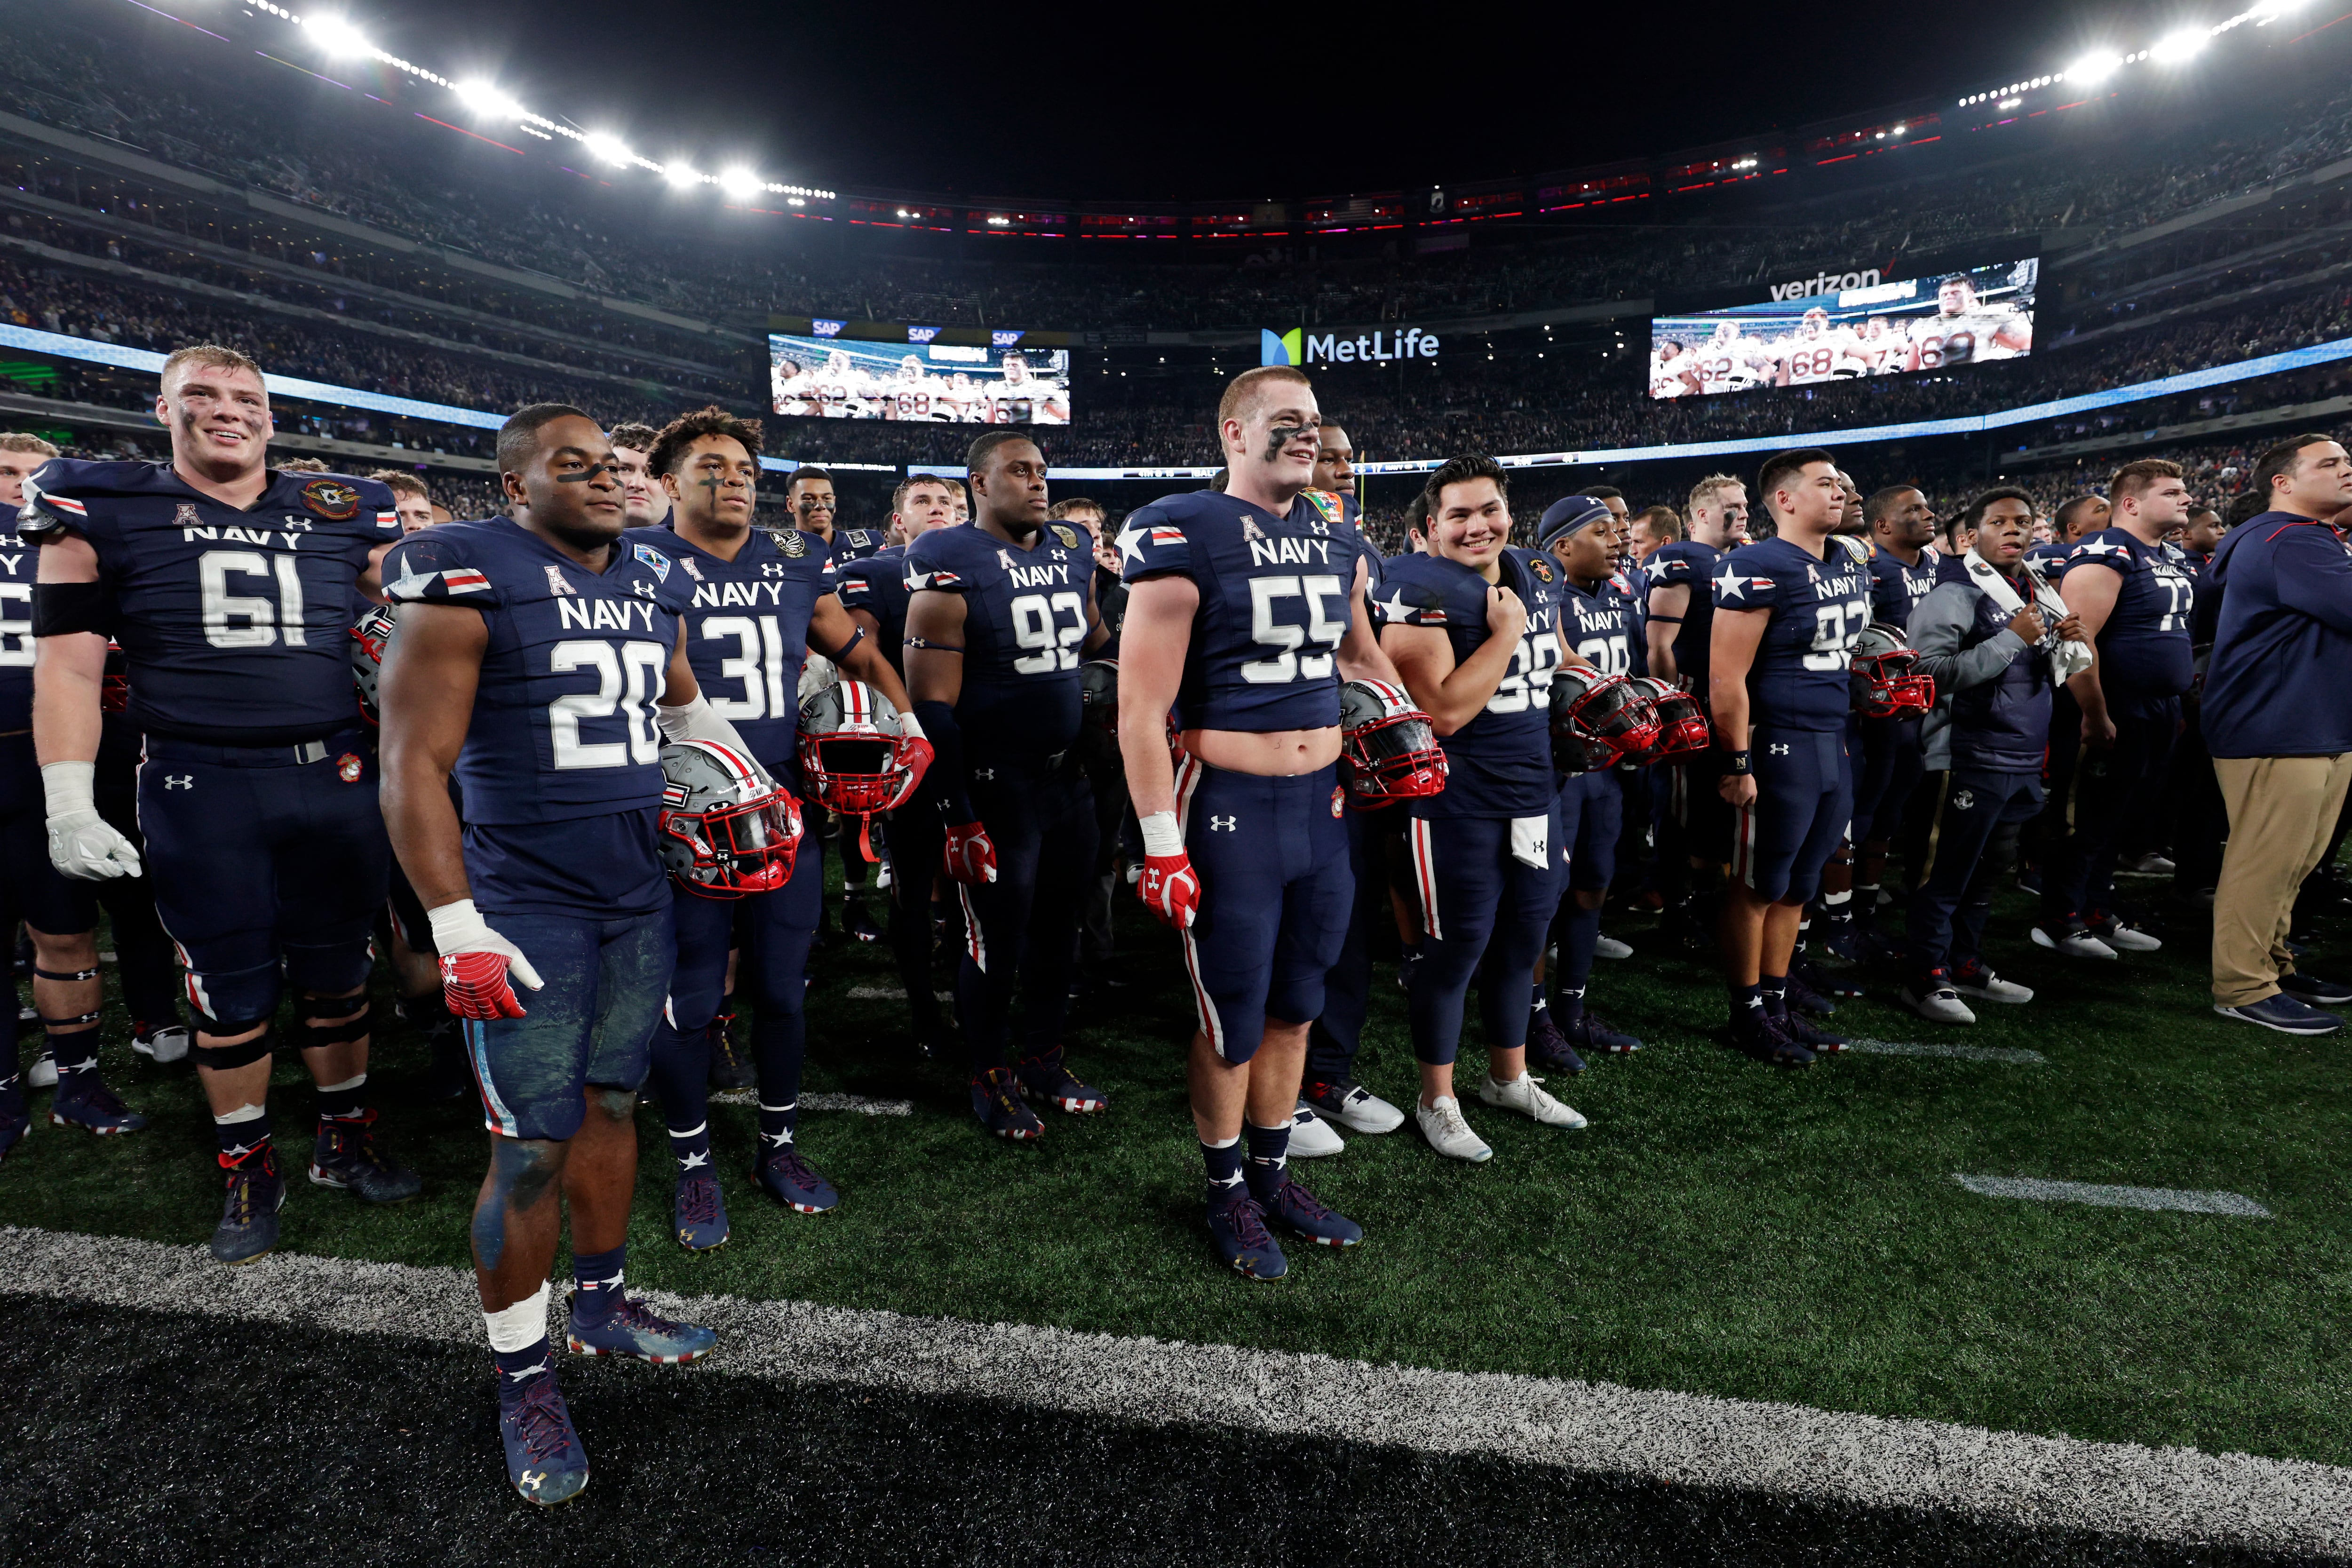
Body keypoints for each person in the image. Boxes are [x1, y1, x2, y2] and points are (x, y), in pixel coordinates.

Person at [377, 403, 773, 1506]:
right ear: (514, 486)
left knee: (611, 1106)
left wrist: (751, 782)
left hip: (634, 892)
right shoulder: (463, 570)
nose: (604, 480)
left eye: (612, 464)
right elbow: (412, 765)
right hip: (524, 903)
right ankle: (522, 1375)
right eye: (573, 465)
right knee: (529, 1148)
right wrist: (456, 926)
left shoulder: (653, 575)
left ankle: (599, 1303)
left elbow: (685, 710)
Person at [22, 344, 415, 1259]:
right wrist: (69, 800)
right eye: (200, 394)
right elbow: (70, 666)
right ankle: (246, 1160)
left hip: (334, 773)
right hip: (202, 782)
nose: (226, 409)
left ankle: (341, 1134)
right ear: (163, 411)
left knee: (339, 974)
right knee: (228, 989)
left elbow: (427, 623)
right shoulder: (102, 507)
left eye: (246, 396)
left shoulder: (346, 509)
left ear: (271, 415)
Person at [1115, 365, 1399, 1278]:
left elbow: (1361, 653)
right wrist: (1161, 840)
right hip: (1228, 805)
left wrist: (1403, 713)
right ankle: (1225, 1189)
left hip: (1322, 807)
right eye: (1285, 420)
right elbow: (1138, 706)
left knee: (1295, 1004)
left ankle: (1273, 1172)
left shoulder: (1335, 538)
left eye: (1314, 420)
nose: (1307, 433)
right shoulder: (1183, 528)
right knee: (1231, 1015)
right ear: (1234, 433)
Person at [631, 406, 926, 1242]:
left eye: (745, 472)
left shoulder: (795, 557)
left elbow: (858, 651)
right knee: (690, 994)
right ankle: (693, 1156)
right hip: (688, 810)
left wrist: (911, 726)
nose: (733, 482)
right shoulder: (638, 559)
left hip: (786, 806)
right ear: (669, 481)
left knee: (782, 987)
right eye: (712, 468)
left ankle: (778, 1140)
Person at [1375, 456, 1588, 1162]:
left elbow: (1556, 656)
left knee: (1526, 942)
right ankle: (1437, 1096)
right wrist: (1502, 635)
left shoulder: (1531, 573)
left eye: (1489, 509)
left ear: (1510, 511)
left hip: (1535, 790)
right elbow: (1440, 712)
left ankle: (1508, 1076)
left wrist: (1583, 678)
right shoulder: (1417, 588)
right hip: (1457, 798)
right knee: (1455, 948)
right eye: (1459, 515)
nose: (1478, 526)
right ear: (1430, 527)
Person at [905, 431, 1109, 1140]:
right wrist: (958, 815)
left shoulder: (1070, 547)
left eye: (1043, 471)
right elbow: (931, 703)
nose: (1038, 482)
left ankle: (1045, 1054)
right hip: (997, 785)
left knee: (1061, 930)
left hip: (1068, 779)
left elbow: (1091, 636)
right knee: (997, 938)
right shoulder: (946, 556)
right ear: (979, 486)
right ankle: (990, 1069)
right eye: (1019, 471)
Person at [0, 431, 176, 1158]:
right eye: (5, 473)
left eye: (28, 475)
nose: (16, 487)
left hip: (51, 756)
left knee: (67, 928)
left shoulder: (80, 541)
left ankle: (79, 1082)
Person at [1707, 449, 1868, 1065]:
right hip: (1781, 741)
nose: (1840, 491)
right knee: (1760, 883)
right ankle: (1746, 1010)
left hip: (1832, 738)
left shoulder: (1849, 561)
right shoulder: (1757, 564)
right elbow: (1728, 678)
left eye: (1842, 480)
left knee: (1800, 883)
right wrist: (1738, 762)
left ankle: (1775, 1001)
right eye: (1825, 483)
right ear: (1785, 500)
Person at [1901, 488, 2084, 1022]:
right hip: (1964, 753)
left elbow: (2049, 671)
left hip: (2021, 755)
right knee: (1945, 875)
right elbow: (1927, 673)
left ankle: (1964, 964)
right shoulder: (1953, 593)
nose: (2013, 530)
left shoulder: (2035, 588)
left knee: (1987, 875)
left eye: (2023, 522)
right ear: (1969, 536)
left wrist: (2063, 642)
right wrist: (2010, 639)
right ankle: (1924, 977)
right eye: (1999, 522)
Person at [2202, 434, 2352, 1033]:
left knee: (2294, 862)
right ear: (2281, 484)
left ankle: (2273, 963)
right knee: (2264, 862)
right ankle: (2241, 985)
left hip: (2308, 720)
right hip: (2277, 722)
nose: (2346, 470)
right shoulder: (2287, 540)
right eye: (2329, 463)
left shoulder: (2300, 539)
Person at [2036, 460, 2193, 958]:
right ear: (2131, 503)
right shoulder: (2106, 551)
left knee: (2120, 816)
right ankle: (2058, 919)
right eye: (2171, 492)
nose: (2185, 499)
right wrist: (2094, 712)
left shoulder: (2167, 554)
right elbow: (2076, 640)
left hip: (2158, 707)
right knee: (2084, 816)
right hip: (2113, 706)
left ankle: (2096, 908)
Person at [840, 475, 961, 1058]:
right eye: (923, 502)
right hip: (911, 749)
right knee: (914, 886)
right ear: (898, 521)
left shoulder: (986, 567)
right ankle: (922, 1011)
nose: (938, 511)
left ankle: (971, 995)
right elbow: (858, 661)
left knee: (981, 885)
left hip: (979, 750)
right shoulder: (876, 574)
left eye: (949, 504)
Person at [1537, 495, 1645, 1059]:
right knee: (1539, 899)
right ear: (1561, 546)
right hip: (1557, 769)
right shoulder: (1544, 596)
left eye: (1616, 530)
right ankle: (1530, 1018)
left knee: (1591, 888)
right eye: (1600, 531)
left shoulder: (1621, 594)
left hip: (1604, 767)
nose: (1617, 539)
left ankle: (1571, 1009)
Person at [1643, 474, 1748, 945]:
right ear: (1702, 514)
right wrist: (1671, 706)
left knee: (1712, 809)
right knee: (1683, 810)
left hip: (1725, 699)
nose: (1743, 511)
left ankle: (1704, 901)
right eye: (1732, 505)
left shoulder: (1734, 559)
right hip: (1691, 701)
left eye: (1744, 503)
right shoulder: (1679, 558)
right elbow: (1659, 645)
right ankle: (1678, 909)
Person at [609, 422, 670, 530]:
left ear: (673, 487)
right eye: (624, 469)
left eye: (651, 473)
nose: (637, 484)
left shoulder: (699, 545)